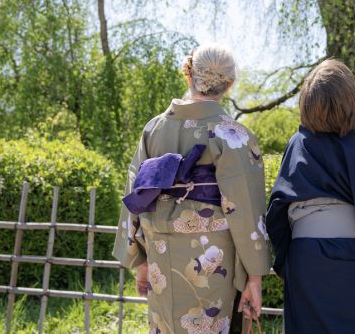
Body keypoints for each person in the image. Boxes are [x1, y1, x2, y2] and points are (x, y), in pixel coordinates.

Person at [113, 44, 270, 334]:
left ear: (189, 74)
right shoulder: (231, 135)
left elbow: (137, 195)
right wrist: (255, 277)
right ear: (230, 84)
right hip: (210, 255)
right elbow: (245, 210)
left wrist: (140, 260)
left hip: (159, 249)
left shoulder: (154, 129)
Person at [266, 59, 355, 334]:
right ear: (351, 98)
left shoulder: (299, 142)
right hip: (349, 254)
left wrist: (285, 257)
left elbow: (278, 207)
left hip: (305, 255)